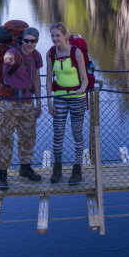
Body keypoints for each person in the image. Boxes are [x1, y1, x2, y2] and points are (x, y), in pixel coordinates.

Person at [0, 26, 43, 190]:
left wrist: (39, 102)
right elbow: (8, 58)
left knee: (28, 136)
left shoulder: (36, 56)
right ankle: (2, 174)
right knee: (6, 137)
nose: (29, 44)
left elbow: (36, 79)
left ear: (37, 41)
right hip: (9, 102)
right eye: (26, 40)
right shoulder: (13, 54)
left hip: (28, 102)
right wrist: (8, 58)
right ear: (21, 39)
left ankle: (25, 168)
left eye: (33, 41)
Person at [46, 22, 88, 184]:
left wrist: (82, 90)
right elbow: (49, 79)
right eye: (52, 36)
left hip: (77, 98)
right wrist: (49, 101)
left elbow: (84, 78)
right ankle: (57, 169)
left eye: (57, 35)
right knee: (58, 135)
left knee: (77, 134)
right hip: (59, 98)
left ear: (65, 35)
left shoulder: (76, 52)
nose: (55, 38)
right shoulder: (51, 53)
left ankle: (77, 169)